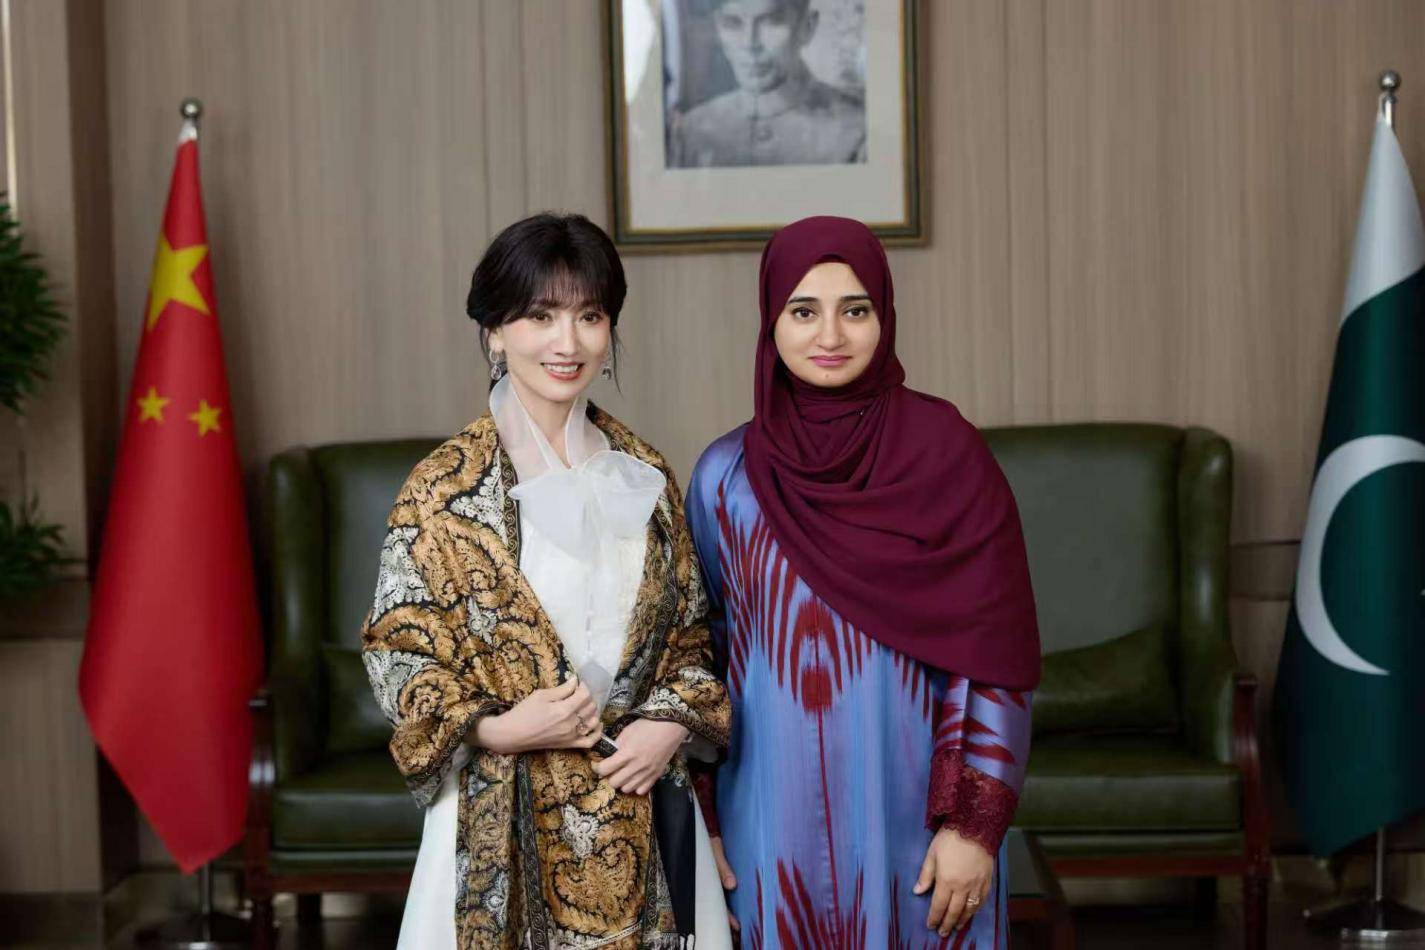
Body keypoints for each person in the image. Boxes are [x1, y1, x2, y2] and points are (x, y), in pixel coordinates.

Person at [362, 213, 733, 948]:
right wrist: (497, 728)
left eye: (589, 316)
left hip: (642, 809)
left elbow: (693, 634)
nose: (568, 342)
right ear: (494, 333)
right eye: (541, 316)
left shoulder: (645, 473)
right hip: (500, 814)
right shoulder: (443, 490)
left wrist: (669, 723)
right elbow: (397, 650)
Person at [686, 216, 1040, 946]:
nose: (830, 335)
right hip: (767, 823)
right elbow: (697, 659)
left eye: (854, 310)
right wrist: (704, 825)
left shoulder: (946, 458)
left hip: (919, 821)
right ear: (770, 321)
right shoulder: (724, 478)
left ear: (884, 316)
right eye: (802, 311)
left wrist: (972, 827)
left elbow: (996, 657)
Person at [669, 0, 865, 168]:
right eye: (732, 23)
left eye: (771, 22)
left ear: (807, 27)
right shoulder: (691, 132)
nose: (749, 43)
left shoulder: (856, 132)